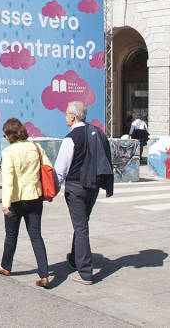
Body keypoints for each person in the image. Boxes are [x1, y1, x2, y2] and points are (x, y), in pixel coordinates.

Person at [54, 101, 113, 285]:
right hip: (93, 185)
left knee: (81, 227)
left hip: (76, 187)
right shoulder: (96, 133)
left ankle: (85, 272)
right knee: (82, 223)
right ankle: (74, 258)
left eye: (66, 114)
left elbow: (61, 169)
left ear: (73, 116)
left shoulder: (71, 138)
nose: (65, 117)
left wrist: (52, 189)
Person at [0, 117, 50, 288]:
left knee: (11, 235)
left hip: (16, 199)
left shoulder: (9, 152)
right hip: (35, 196)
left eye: (5, 135)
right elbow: (48, 168)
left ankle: (6, 266)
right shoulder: (36, 147)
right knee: (36, 235)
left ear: (10, 136)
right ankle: (44, 274)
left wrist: (5, 203)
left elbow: (9, 180)